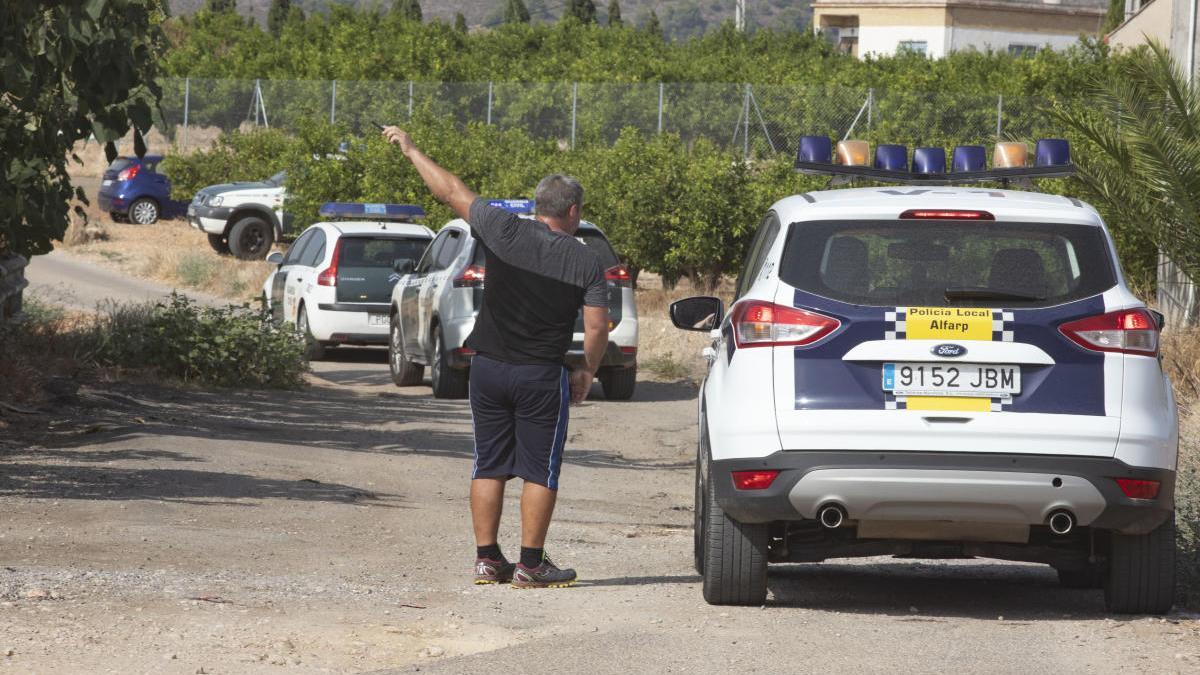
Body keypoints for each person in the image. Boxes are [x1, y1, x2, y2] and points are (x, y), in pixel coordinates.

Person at [382, 126, 610, 589]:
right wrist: (587, 369)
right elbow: (597, 327)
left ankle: (487, 560)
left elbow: (449, 189)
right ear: (573, 211)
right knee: (539, 468)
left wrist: (410, 149)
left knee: (489, 463)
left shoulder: (504, 228)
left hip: (486, 369)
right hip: (540, 375)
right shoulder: (586, 262)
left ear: (535, 206)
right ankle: (530, 564)